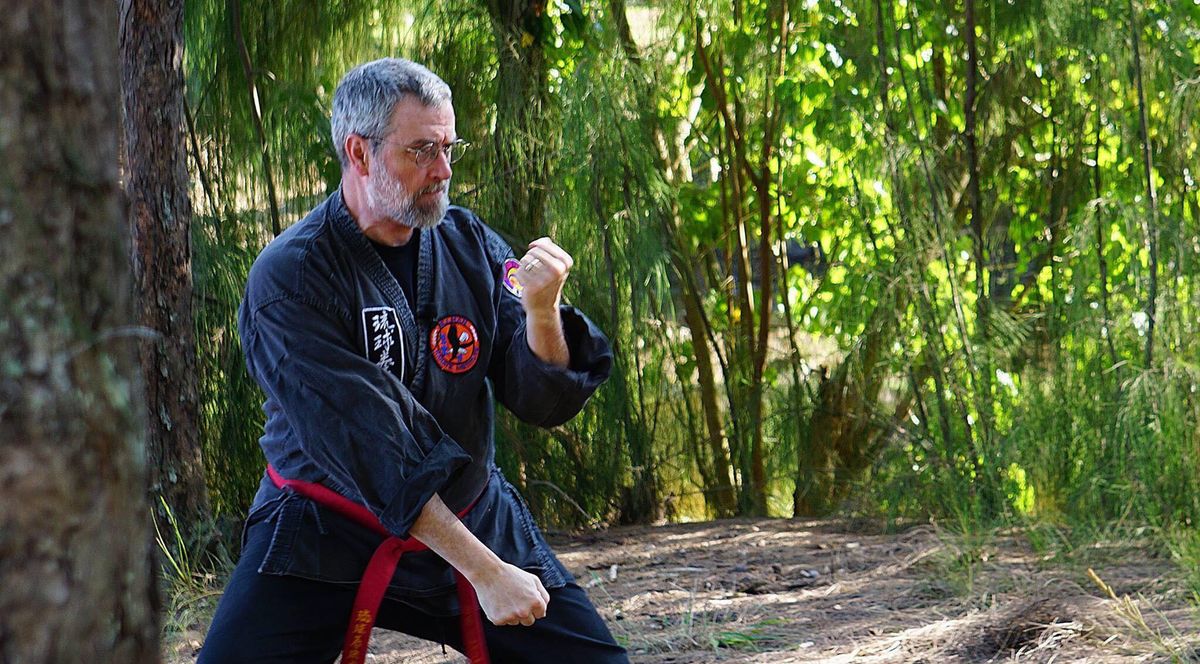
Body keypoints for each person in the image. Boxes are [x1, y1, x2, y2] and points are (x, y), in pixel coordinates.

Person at [198, 58, 628, 663]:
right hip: (326, 528)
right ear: (361, 152)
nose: (444, 171)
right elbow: (371, 450)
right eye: (422, 150)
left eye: (450, 147)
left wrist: (541, 312)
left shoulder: (470, 243)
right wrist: (488, 572)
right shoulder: (291, 278)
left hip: (470, 507)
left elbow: (540, 397)